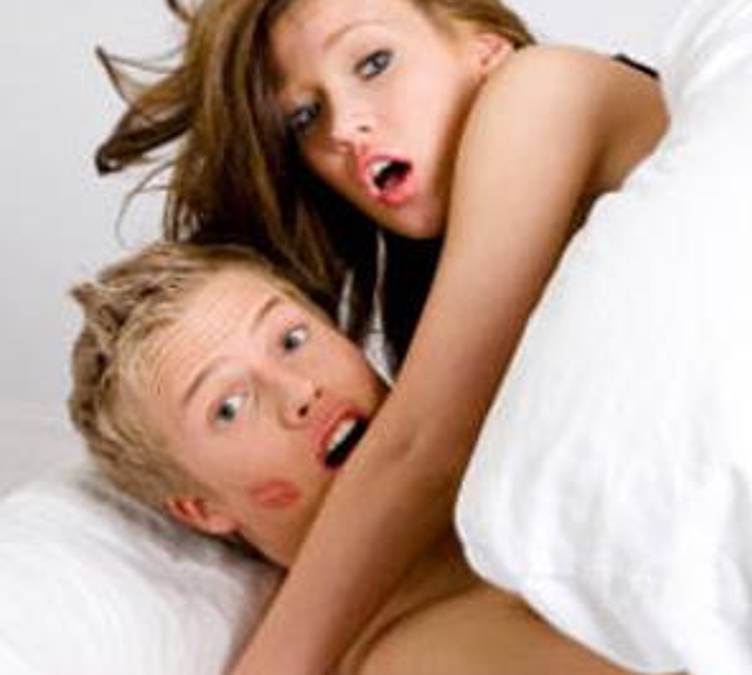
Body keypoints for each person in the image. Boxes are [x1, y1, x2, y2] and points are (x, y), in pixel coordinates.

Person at [95, 0, 668, 671]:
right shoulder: (430, 630)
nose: (343, 128)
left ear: (484, 45)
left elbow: (423, 442)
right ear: (199, 508)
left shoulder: (540, 91)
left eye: (373, 62)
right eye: (305, 116)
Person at [67, 241, 634, 675]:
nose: (299, 392)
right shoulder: (413, 657)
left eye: (292, 340)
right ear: (201, 509)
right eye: (230, 407)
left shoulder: (535, 422)